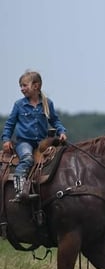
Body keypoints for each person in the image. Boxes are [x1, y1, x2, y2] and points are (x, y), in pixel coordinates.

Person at [2, 70, 68, 202]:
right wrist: (6, 139)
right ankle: (20, 191)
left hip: (42, 142)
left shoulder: (47, 103)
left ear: (36, 86)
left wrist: (61, 131)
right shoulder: (19, 105)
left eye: (24, 85)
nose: (22, 89)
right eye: (21, 86)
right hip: (24, 142)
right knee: (27, 159)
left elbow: (55, 120)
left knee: (58, 158)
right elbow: (10, 124)